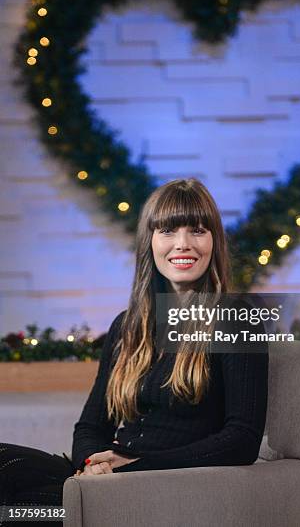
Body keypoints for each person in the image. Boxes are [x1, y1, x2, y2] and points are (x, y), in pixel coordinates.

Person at [0, 178, 268, 525]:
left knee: (26, 516)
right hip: (108, 480)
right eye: (168, 231)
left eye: (197, 231)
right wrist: (91, 464)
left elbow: (242, 440)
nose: (183, 244)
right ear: (151, 242)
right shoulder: (126, 326)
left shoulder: (235, 319)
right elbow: (90, 426)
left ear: (214, 242)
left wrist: (136, 466)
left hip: (165, 482)